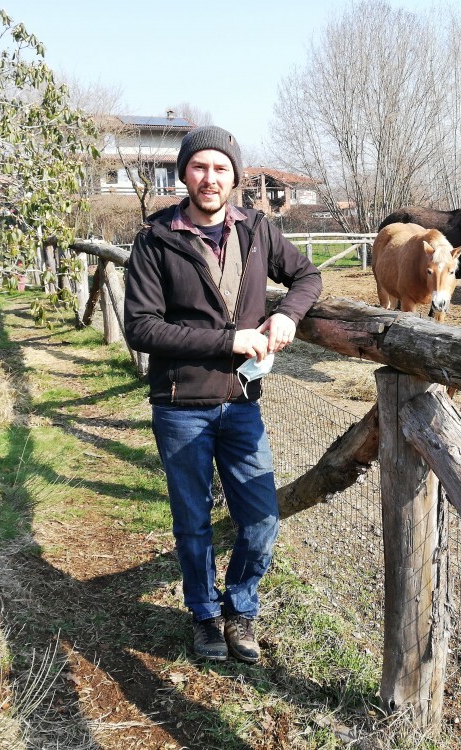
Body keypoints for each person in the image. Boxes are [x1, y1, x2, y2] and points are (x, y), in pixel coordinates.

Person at [124, 125, 322, 662]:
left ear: (235, 175)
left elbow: (308, 276)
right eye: (199, 167)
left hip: (240, 402)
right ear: (184, 173)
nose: (209, 178)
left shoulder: (257, 230)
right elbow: (141, 327)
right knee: (192, 521)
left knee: (259, 517)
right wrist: (227, 339)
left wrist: (286, 313)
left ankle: (240, 608)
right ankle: (205, 616)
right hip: (179, 403)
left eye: (220, 168)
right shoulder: (155, 240)